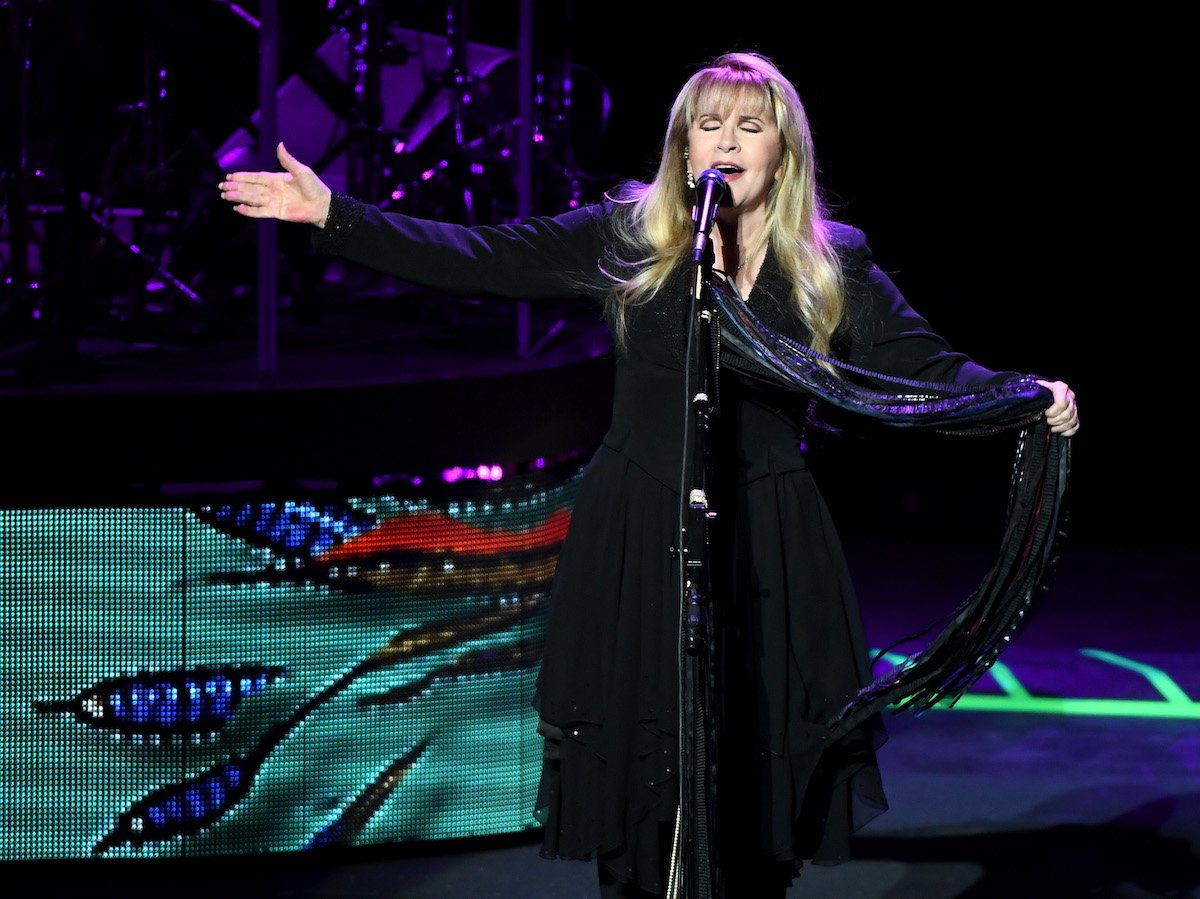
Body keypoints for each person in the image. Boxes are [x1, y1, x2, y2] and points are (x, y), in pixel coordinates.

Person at [218, 50, 1079, 898]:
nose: (728, 142)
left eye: (751, 126)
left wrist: (1022, 397)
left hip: (768, 538)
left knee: (754, 763)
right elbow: (483, 256)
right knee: (641, 766)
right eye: (710, 127)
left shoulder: (828, 262)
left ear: (783, 151)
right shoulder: (630, 239)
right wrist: (338, 216)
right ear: (683, 148)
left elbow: (924, 366)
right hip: (639, 526)